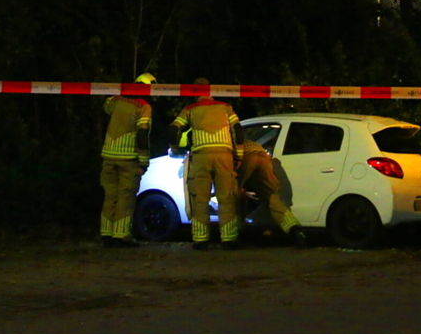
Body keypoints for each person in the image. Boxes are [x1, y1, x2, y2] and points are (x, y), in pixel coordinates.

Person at [168, 78, 244, 250]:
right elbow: (238, 130)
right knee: (226, 198)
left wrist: (175, 148)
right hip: (224, 156)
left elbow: (173, 129)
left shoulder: (189, 109)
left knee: (200, 199)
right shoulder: (225, 107)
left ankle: (201, 240)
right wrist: (238, 156)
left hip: (201, 157)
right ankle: (229, 240)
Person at [99, 72, 156, 247]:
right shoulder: (143, 107)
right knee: (126, 197)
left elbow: (106, 106)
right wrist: (144, 161)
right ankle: (121, 236)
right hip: (128, 159)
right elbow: (142, 134)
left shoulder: (116, 100)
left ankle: (106, 234)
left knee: (110, 196)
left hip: (108, 156)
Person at [239, 139, 308, 249]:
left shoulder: (229, 142)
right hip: (265, 160)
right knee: (272, 197)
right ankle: (294, 229)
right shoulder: (251, 142)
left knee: (232, 194)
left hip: (247, 158)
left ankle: (234, 236)